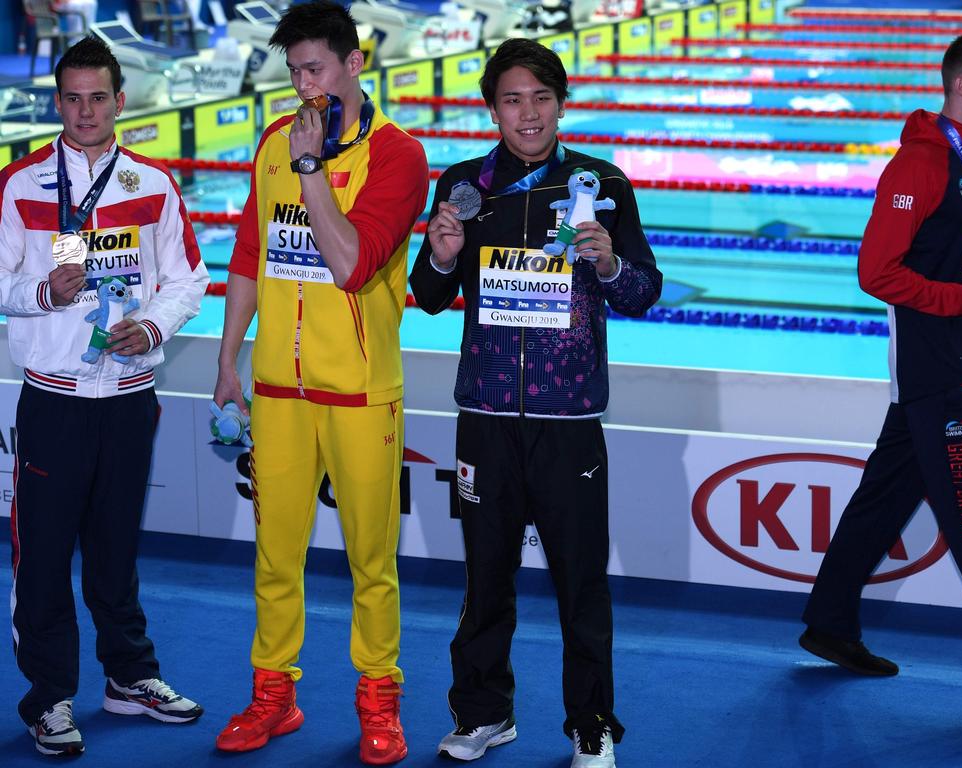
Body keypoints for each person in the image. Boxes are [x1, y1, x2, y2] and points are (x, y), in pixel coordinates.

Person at [409, 37, 662, 768]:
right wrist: (444, 254)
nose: (529, 113)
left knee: (580, 582)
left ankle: (592, 725)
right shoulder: (463, 186)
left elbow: (645, 291)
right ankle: (484, 713)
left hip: (569, 420)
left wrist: (611, 263)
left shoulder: (602, 182)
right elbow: (428, 297)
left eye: (542, 98)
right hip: (485, 416)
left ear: (561, 104)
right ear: (492, 108)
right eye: (513, 99)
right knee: (483, 576)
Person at [212, 2, 427, 764]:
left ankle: (379, 700)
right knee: (275, 555)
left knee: (373, 561)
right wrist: (228, 360)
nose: (304, 86)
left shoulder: (399, 156)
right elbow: (247, 253)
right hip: (276, 390)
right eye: (295, 70)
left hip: (360, 392)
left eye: (317, 69)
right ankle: (274, 695)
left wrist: (312, 172)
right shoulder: (275, 141)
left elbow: (350, 264)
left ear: (355, 65)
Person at [0, 36, 208, 757]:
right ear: (57, 103)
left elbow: (190, 278)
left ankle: (129, 678)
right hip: (54, 400)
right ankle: (49, 699)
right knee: (46, 557)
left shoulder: (151, 182)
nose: (85, 111)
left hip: (127, 393)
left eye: (98, 97)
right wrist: (35, 291)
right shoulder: (20, 183)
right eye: (73, 97)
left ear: (121, 102)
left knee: (117, 550)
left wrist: (152, 324)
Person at [800, 33, 962, 687]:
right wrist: (959, 299)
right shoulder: (919, 167)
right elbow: (876, 271)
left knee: (882, 503)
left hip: (952, 366)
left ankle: (829, 624)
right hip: (936, 377)